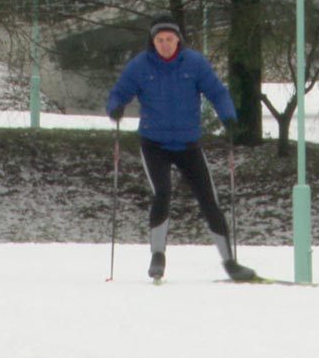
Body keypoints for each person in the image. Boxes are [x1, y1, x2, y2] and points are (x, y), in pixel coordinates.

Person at [106, 15, 256, 282]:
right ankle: (157, 256)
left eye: (170, 39)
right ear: (153, 42)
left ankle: (230, 262)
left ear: (178, 40)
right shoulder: (140, 66)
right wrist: (115, 108)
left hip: (188, 144)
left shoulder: (194, 63)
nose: (165, 44)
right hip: (154, 144)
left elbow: (217, 92)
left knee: (209, 199)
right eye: (159, 40)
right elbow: (119, 92)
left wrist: (229, 117)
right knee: (162, 192)